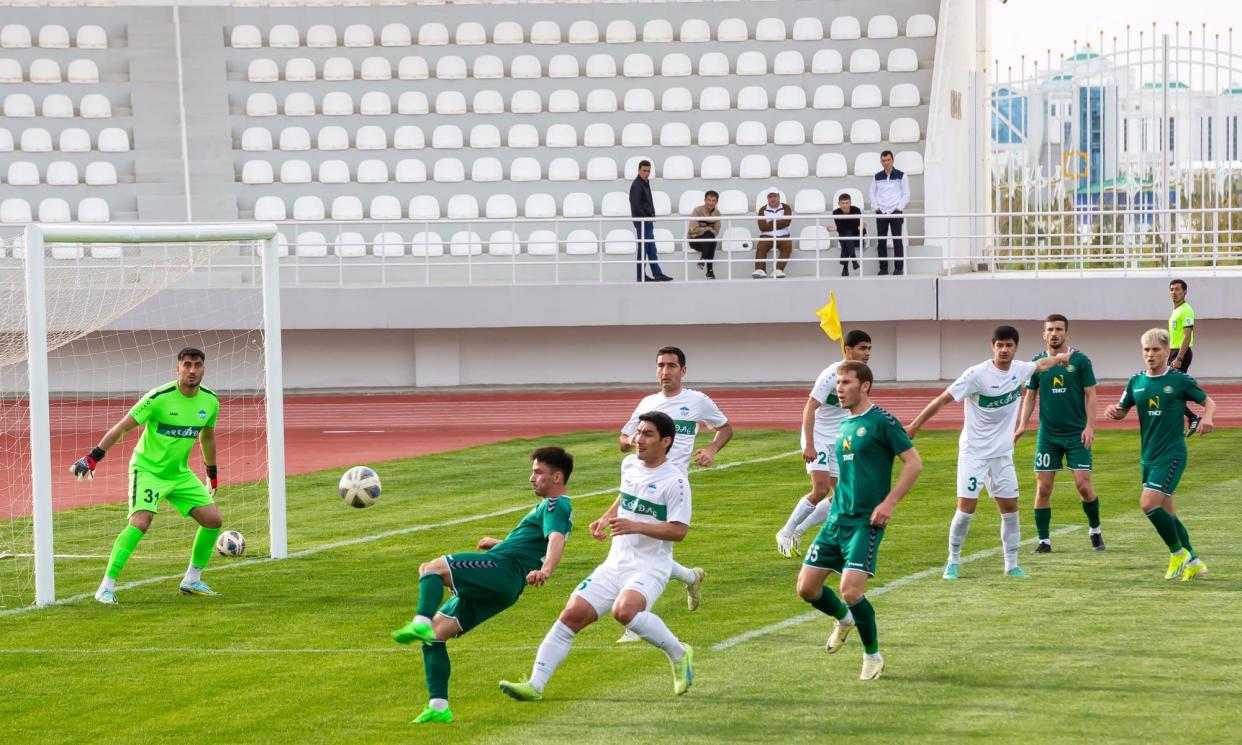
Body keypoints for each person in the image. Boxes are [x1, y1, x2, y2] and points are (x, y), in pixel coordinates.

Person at [499, 412, 694, 701]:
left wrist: (635, 525)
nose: (638, 439)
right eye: (638, 432)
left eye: (648, 434)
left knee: (624, 612)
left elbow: (679, 531)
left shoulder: (675, 482)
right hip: (615, 562)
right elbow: (626, 496)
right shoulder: (628, 464)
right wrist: (606, 517)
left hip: (650, 566)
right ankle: (535, 685)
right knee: (571, 616)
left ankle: (679, 653)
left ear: (666, 441)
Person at [391, 447, 575, 724]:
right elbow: (533, 546)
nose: (531, 478)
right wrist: (500, 543)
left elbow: (555, 539)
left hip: (502, 570)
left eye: (538, 472)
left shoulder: (555, 504)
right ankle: (438, 708)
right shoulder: (556, 508)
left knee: (430, 569)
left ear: (557, 477)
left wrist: (546, 569)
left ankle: (419, 619)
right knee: (435, 636)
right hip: (506, 584)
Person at [904, 326, 1069, 579]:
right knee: (966, 508)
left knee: (1010, 508)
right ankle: (953, 561)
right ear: (993, 346)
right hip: (974, 453)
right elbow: (942, 400)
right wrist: (914, 425)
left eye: (1009, 345)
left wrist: (1060, 358)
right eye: (1000, 345)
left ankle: (1011, 565)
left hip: (1002, 455)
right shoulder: (976, 375)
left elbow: (1041, 364)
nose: (1004, 350)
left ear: (1015, 348)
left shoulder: (1020, 369)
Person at [795, 361, 922, 681]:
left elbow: (914, 463)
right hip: (837, 520)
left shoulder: (881, 421)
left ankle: (872, 655)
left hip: (866, 523)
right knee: (807, 589)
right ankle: (844, 619)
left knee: (850, 590)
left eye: (846, 382)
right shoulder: (844, 425)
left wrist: (889, 503)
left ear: (864, 386)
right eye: (837, 382)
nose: (839, 388)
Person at [71, 347, 223, 604]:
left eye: (197, 365)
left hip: (179, 474)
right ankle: (105, 587)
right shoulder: (158, 397)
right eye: (187, 365)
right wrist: (94, 456)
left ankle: (192, 580)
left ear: (203, 369)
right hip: (148, 470)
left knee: (212, 520)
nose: (192, 370)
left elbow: (206, 436)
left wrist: (212, 473)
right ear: (178, 369)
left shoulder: (210, 401)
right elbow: (123, 426)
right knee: (141, 522)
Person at [614, 345, 731, 641]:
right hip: (643, 479)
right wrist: (632, 441)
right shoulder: (647, 403)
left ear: (683, 370)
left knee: (646, 550)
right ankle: (692, 578)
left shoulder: (697, 401)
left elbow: (725, 427)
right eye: (661, 366)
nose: (665, 371)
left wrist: (712, 449)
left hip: (671, 483)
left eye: (671, 366)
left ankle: (634, 624)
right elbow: (622, 438)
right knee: (639, 547)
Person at [1105, 328, 1216, 582]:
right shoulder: (1136, 382)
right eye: (1146, 350)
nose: (1150, 354)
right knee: (1169, 514)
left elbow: (1208, 401)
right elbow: (1123, 410)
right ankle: (1195, 561)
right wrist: (1115, 411)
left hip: (1172, 454)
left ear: (1167, 352)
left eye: (1156, 350)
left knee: (1147, 504)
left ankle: (1177, 553)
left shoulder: (1179, 380)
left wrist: (1207, 418)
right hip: (1149, 456)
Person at [776, 330, 873, 557]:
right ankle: (785, 531)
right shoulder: (832, 374)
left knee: (843, 496)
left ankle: (799, 530)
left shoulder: (863, 376)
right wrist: (809, 444)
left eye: (869, 349)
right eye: (862, 348)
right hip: (818, 437)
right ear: (848, 349)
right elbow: (810, 407)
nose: (867, 353)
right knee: (820, 488)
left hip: (839, 440)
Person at [1015, 314, 1105, 553]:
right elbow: (1030, 396)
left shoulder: (1081, 361)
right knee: (1043, 488)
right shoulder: (1037, 363)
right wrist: (1023, 424)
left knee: (1083, 486)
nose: (1054, 333)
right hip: (1048, 436)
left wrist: (1090, 426)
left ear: (1067, 333)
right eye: (1050, 330)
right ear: (1044, 334)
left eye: (1059, 329)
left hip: (1076, 435)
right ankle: (1044, 541)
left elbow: (1091, 395)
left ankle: (1095, 530)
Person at [867, 150, 910, 276]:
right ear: (881, 162)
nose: (886, 163)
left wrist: (899, 208)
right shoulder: (877, 176)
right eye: (883, 160)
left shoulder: (901, 175)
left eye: (888, 160)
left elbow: (906, 194)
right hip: (881, 212)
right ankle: (883, 269)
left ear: (892, 160)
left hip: (895, 212)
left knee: (897, 240)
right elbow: (872, 193)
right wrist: (876, 208)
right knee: (881, 241)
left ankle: (898, 269)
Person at [1167, 279, 1201, 434]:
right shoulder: (1176, 310)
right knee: (1169, 389)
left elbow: (1187, 336)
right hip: (1174, 352)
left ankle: (1191, 416)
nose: (1174, 292)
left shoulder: (1186, 310)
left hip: (1181, 353)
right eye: (1172, 289)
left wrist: (1179, 358)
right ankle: (1190, 417)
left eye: (1177, 289)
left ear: (1185, 291)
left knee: (1170, 389)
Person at [629, 160, 671, 282]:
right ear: (639, 170)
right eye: (644, 171)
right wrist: (646, 219)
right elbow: (635, 205)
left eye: (648, 171)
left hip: (647, 221)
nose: (647, 173)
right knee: (644, 248)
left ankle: (657, 273)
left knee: (651, 248)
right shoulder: (637, 185)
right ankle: (640, 275)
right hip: (643, 222)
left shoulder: (645, 182)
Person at [753, 188, 793, 279]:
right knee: (761, 246)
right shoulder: (762, 210)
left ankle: (778, 270)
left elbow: (786, 222)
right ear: (767, 198)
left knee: (788, 246)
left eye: (774, 196)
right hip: (767, 237)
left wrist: (770, 222)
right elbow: (762, 226)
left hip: (783, 236)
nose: (772, 199)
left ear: (779, 197)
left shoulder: (786, 207)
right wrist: (778, 222)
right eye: (770, 197)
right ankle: (760, 270)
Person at [688, 190, 721, 279]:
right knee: (710, 235)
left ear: (717, 201)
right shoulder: (697, 211)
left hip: (708, 241)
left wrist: (707, 230)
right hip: (695, 240)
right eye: (709, 200)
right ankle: (709, 271)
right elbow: (693, 229)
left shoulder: (717, 213)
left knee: (711, 238)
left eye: (713, 200)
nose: (711, 203)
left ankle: (703, 261)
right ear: (705, 200)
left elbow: (717, 231)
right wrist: (708, 229)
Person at [831, 193, 865, 277]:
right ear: (839, 204)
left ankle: (845, 267)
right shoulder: (836, 212)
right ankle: (854, 261)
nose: (845, 205)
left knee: (847, 236)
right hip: (845, 237)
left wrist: (836, 229)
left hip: (857, 236)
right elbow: (843, 228)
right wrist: (840, 228)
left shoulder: (856, 210)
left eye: (847, 203)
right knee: (847, 236)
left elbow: (853, 228)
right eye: (842, 203)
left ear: (850, 203)